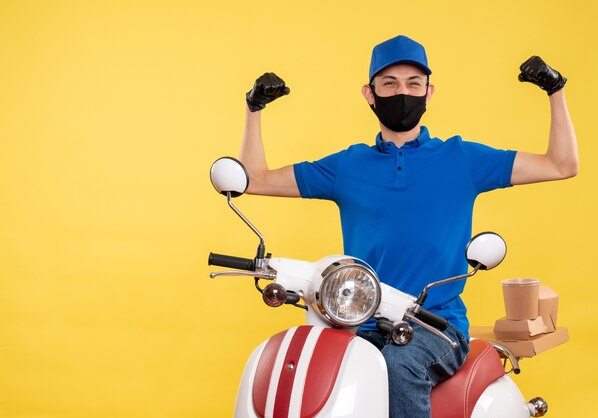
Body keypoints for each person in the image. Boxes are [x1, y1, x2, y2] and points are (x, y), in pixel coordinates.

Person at [238, 35, 577, 417]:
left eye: (413, 84)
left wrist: (555, 90)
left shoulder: (461, 158)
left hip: (436, 327)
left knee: (401, 367)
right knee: (306, 362)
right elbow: (253, 179)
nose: (402, 92)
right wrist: (254, 109)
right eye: (390, 84)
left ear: (429, 93)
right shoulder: (347, 167)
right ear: (369, 93)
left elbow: (561, 165)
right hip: (359, 320)